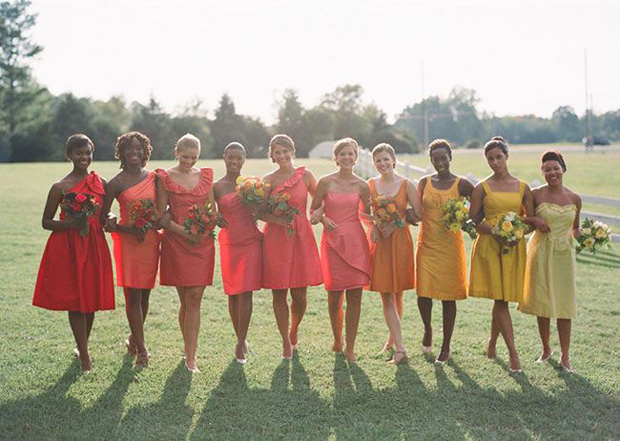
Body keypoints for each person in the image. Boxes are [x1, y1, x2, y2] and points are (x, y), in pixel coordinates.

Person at [33, 134, 115, 372]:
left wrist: (110, 218)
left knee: (89, 300)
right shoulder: (60, 187)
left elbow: (104, 215)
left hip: (94, 245)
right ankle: (85, 355)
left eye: (88, 153)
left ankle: (83, 345)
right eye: (79, 153)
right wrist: (71, 224)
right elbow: (46, 222)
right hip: (68, 247)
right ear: (69, 156)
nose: (84, 157)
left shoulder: (102, 183)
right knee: (76, 300)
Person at [468, 136, 536, 373]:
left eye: (499, 157)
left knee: (504, 297)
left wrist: (518, 233)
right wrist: (495, 230)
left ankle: (492, 343)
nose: (495, 162)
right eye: (490, 158)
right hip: (489, 247)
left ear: (507, 156)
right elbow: (474, 222)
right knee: (500, 299)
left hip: (514, 247)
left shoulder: (523, 188)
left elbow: (531, 221)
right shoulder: (481, 188)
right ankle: (513, 354)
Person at [155, 134, 215, 372]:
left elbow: (211, 209)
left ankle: (191, 357)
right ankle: (186, 348)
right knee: (185, 300)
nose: (189, 162)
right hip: (177, 243)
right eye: (185, 157)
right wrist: (183, 232)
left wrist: (202, 231)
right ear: (176, 152)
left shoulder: (206, 176)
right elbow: (160, 217)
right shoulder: (164, 177)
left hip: (202, 243)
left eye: (193, 157)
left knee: (195, 298)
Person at [261, 134, 323, 360]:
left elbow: (320, 200)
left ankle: (294, 331)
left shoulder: (306, 175)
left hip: (301, 237)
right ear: (272, 155)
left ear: (292, 151)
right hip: (276, 238)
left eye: (285, 151)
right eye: (277, 152)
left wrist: (318, 213)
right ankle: (285, 342)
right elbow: (259, 211)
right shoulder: (268, 179)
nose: (282, 155)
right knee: (279, 292)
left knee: (300, 295)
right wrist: (277, 220)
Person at [101, 131, 160, 369]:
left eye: (139, 148)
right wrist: (116, 218)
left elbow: (162, 209)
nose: (134, 152)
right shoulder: (116, 183)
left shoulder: (154, 178)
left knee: (144, 295)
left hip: (150, 242)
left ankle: (134, 340)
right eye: (129, 148)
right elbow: (104, 217)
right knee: (132, 296)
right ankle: (143, 351)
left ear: (145, 152)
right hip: (127, 242)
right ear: (122, 153)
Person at [310, 138, 371, 363]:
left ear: (356, 157)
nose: (347, 157)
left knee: (355, 296)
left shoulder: (362, 186)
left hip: (356, 243)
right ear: (335, 157)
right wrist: (323, 218)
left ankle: (350, 347)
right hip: (332, 243)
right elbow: (313, 211)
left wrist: (389, 218)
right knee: (334, 296)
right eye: (342, 154)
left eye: (350, 154)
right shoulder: (325, 182)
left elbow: (369, 214)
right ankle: (337, 339)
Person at [518, 151, 581, 372]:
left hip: (564, 255)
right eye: (547, 169)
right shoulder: (535, 195)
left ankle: (565, 356)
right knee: (543, 302)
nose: (552, 173)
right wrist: (534, 219)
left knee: (565, 304)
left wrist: (591, 236)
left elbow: (575, 228)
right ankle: (546, 349)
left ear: (563, 169)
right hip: (541, 251)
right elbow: (520, 219)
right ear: (542, 172)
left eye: (555, 168)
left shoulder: (574, 198)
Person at [415, 139, 474, 364]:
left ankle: (446, 346)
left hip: (450, 248)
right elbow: (416, 210)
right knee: (424, 293)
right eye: (436, 159)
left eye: (444, 158)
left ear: (451, 157)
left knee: (448, 297)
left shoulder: (462, 184)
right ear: (431, 161)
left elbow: (480, 203)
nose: (440, 162)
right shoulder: (424, 182)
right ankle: (428, 328)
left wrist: (468, 221)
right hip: (427, 244)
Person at [367, 143, 423, 365]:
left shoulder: (406, 185)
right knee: (385, 293)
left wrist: (399, 223)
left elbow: (419, 214)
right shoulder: (370, 185)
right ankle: (398, 347)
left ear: (394, 161)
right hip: (380, 242)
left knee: (397, 291)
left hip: (400, 242)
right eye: (378, 160)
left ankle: (395, 343)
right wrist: (374, 225)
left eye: (386, 159)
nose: (382, 163)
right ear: (374, 163)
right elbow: (364, 211)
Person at [213, 142, 262, 364]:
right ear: (224, 157)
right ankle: (239, 337)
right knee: (233, 293)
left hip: (251, 240)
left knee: (246, 292)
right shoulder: (216, 186)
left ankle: (241, 343)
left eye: (238, 158)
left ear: (244, 159)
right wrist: (215, 217)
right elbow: (210, 212)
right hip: (229, 242)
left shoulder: (252, 184)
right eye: (230, 157)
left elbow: (261, 210)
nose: (234, 162)